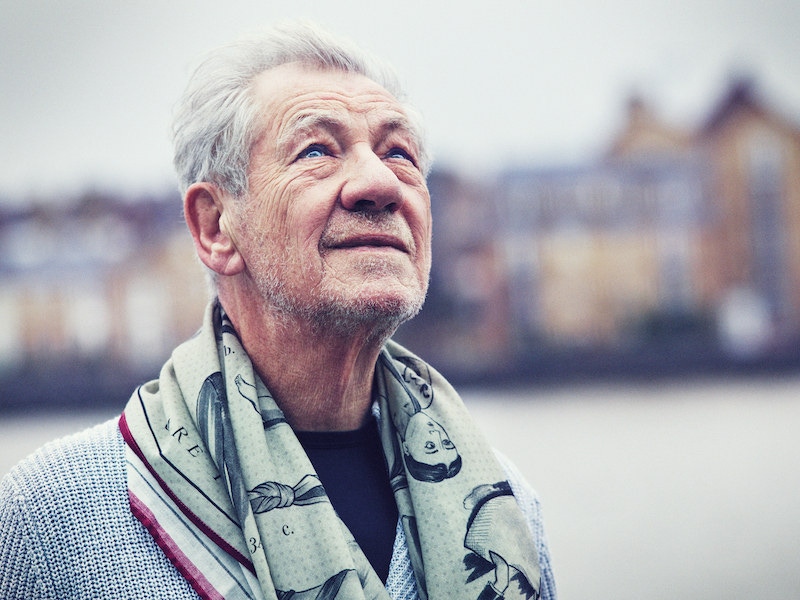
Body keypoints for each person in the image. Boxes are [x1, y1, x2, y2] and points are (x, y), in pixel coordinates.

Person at [0, 22, 556, 600]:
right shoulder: (52, 521)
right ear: (216, 226)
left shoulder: (506, 511)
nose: (379, 182)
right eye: (316, 150)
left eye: (400, 153)